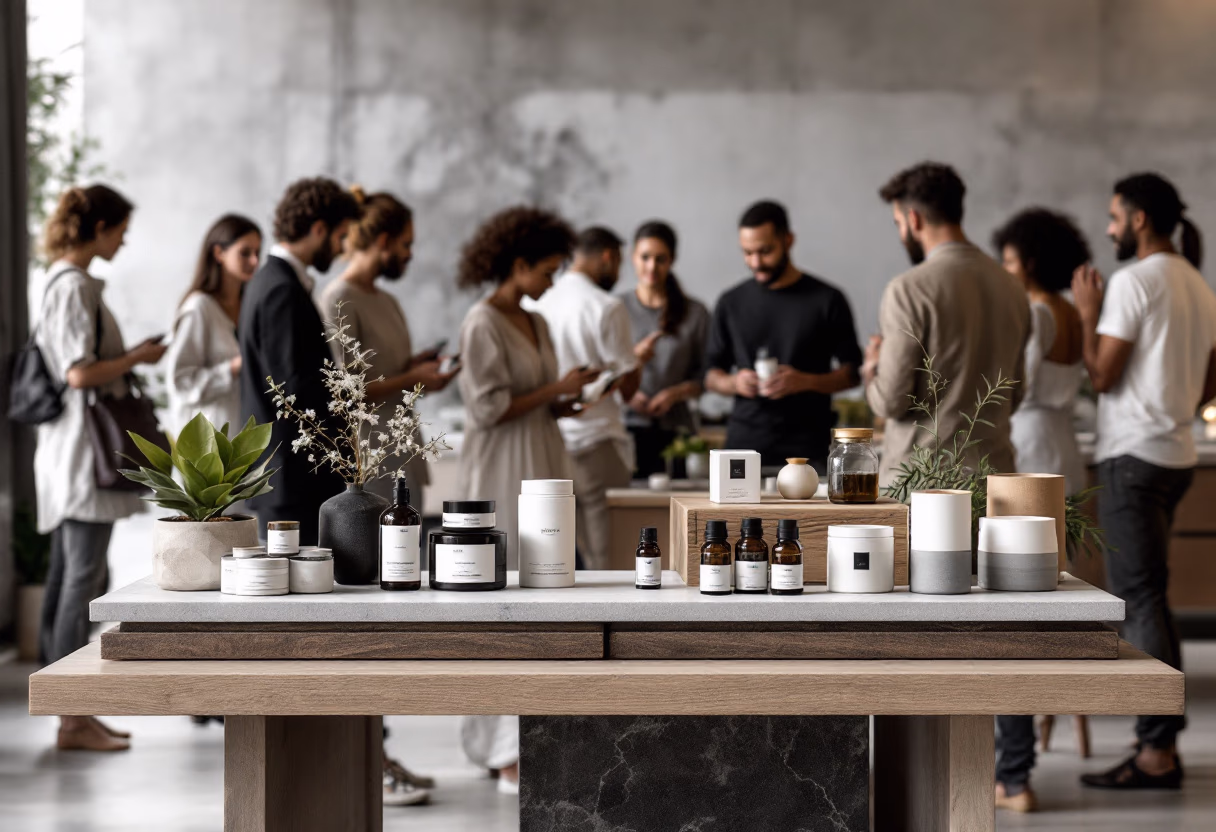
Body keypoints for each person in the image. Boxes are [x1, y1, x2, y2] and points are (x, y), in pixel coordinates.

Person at [1073, 173, 1216, 790]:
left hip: (1132, 458)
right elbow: (1209, 383)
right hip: (1175, 456)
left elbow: (1102, 376)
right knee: (1152, 594)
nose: (1109, 229)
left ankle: (1157, 751)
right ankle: (1159, 741)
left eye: (1114, 217)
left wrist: (1087, 315)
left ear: (1138, 219)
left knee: (1140, 598)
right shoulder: (1197, 283)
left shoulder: (1134, 282)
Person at [455, 206, 598, 794]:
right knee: (499, 607)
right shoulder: (481, 322)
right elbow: (487, 407)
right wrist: (553, 389)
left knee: (544, 601)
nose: (552, 280)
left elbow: (535, 398)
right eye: (546, 270)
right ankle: (499, 751)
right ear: (516, 264)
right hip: (499, 470)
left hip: (541, 461)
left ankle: (533, 737)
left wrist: (567, 400)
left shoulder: (536, 321)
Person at [34, 185, 167, 751]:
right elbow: (78, 373)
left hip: (74, 450)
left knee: (74, 575)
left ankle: (74, 710)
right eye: (120, 231)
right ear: (99, 228)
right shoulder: (73, 287)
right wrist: (136, 358)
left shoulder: (70, 283)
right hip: (80, 455)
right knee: (81, 578)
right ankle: (72, 715)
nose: (123, 241)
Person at [988, 207, 1092, 812]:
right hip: (1066, 450)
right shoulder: (1072, 310)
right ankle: (1021, 759)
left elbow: (1014, 388)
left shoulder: (1035, 311)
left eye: (1007, 260)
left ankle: (1014, 771)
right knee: (1052, 595)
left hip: (1028, 447)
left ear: (1026, 261)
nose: (1004, 270)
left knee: (1019, 601)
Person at [864, 163, 1030, 484]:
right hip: (993, 480)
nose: (900, 233)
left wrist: (872, 369)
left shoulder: (908, 289)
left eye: (898, 223)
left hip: (925, 483)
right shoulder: (1013, 288)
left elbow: (891, 402)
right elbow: (1015, 396)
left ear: (914, 219)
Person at [239, 177, 360, 544]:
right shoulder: (281, 289)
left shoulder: (273, 281)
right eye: (340, 237)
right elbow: (294, 391)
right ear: (318, 229)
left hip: (291, 478)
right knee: (300, 579)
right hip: (294, 479)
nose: (341, 249)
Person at [319, 188, 456, 511]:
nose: (410, 254)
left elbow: (388, 371)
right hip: (371, 451)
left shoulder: (387, 301)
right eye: (406, 244)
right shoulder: (338, 299)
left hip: (403, 444)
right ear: (383, 241)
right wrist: (412, 378)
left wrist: (416, 369)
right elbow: (344, 391)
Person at [706, 201, 863, 471]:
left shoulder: (827, 299)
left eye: (765, 251)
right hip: (743, 445)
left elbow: (852, 374)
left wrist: (806, 381)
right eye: (747, 253)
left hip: (807, 448)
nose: (756, 263)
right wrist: (734, 382)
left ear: (788, 240)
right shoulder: (730, 302)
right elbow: (710, 375)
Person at [532, 226, 639, 569]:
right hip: (598, 444)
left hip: (549, 444)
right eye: (619, 263)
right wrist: (637, 360)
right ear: (607, 257)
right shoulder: (606, 306)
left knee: (566, 558)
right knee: (611, 561)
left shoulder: (535, 302)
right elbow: (628, 387)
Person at [620, 221, 711, 477]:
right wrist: (627, 393)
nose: (652, 267)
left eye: (660, 259)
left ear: (672, 260)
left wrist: (675, 394)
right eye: (645, 257)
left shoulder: (695, 313)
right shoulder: (615, 309)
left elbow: (707, 375)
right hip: (625, 429)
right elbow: (601, 370)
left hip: (677, 434)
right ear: (633, 257)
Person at [165, 214, 262, 437]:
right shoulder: (199, 307)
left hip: (249, 436)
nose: (255, 262)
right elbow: (180, 382)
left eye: (258, 253)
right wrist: (233, 368)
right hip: (210, 441)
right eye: (245, 253)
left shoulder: (252, 304)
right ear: (219, 253)